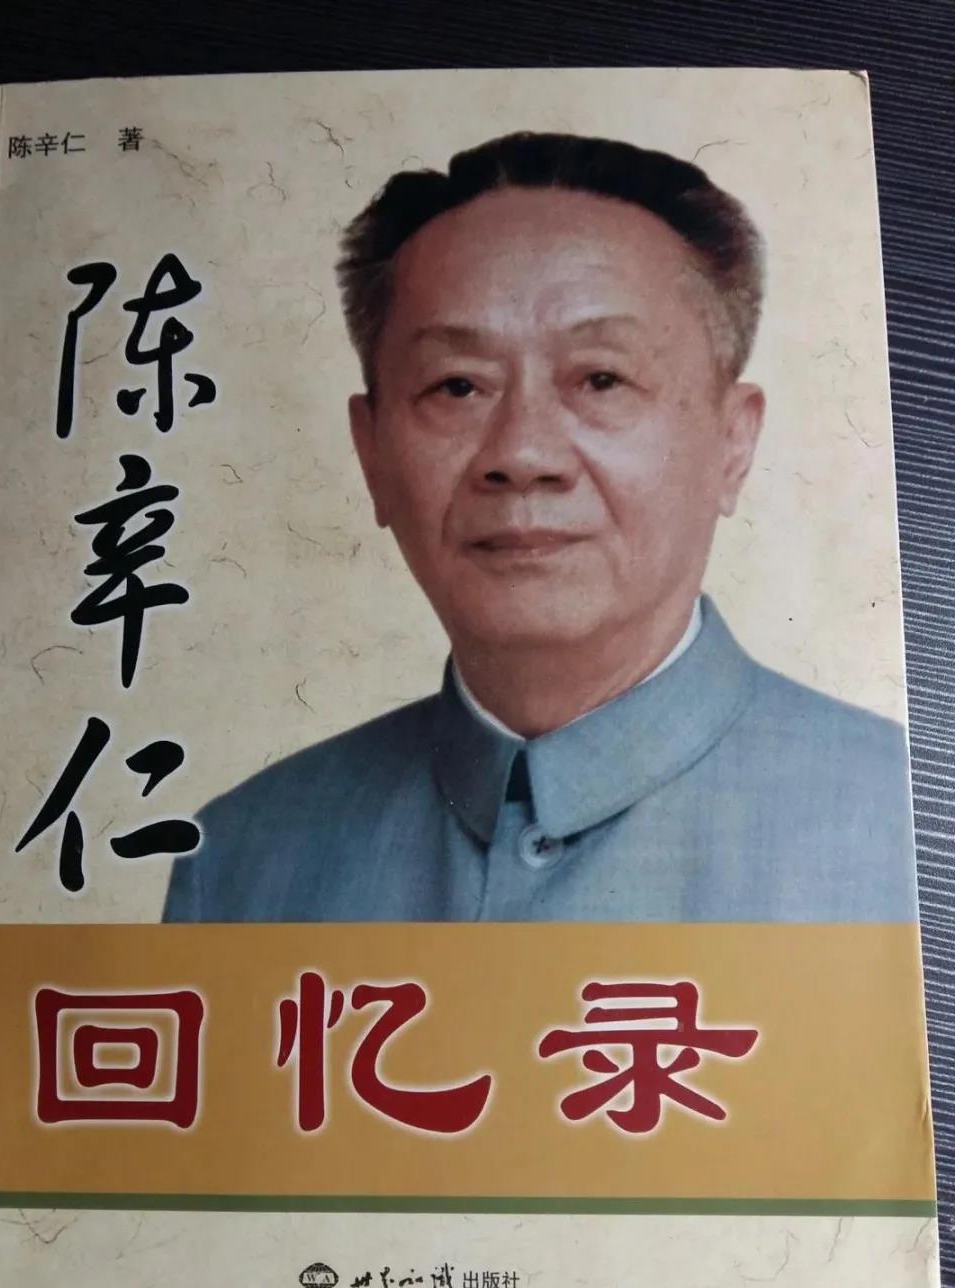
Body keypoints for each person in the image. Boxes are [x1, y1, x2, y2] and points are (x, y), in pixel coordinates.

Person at [164, 131, 917, 923]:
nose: (522, 454)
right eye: (458, 386)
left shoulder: (901, 822)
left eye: (601, 378)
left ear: (734, 442)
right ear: (372, 451)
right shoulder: (243, 858)